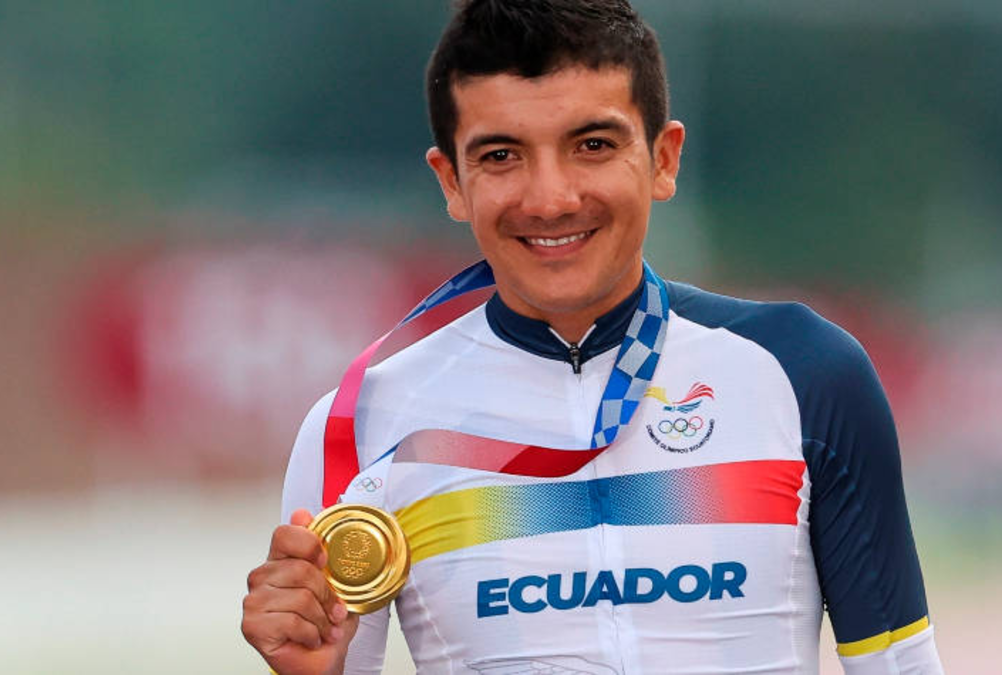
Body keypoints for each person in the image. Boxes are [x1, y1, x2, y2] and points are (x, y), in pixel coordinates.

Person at [241, 1, 945, 673]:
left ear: (663, 158)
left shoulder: (805, 373)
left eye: (593, 145)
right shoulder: (361, 427)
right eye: (501, 155)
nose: (551, 198)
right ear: (451, 181)